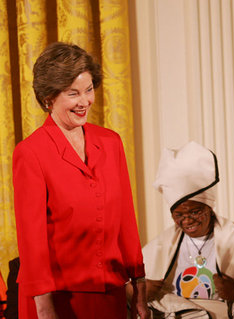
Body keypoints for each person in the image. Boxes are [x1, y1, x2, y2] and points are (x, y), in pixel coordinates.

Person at [12, 42, 149, 319]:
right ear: (49, 97)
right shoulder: (31, 153)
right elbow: (32, 240)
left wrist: (140, 292)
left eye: (89, 90)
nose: (85, 101)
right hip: (57, 298)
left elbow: (126, 221)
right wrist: (45, 310)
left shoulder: (111, 142)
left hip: (110, 294)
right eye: (73, 93)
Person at [141, 141, 234, 319]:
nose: (187, 220)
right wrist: (141, 291)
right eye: (179, 215)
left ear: (209, 208)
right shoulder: (160, 246)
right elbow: (131, 295)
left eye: (195, 211)